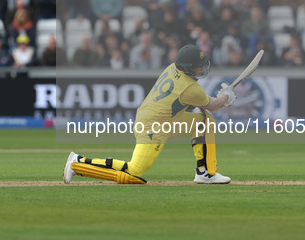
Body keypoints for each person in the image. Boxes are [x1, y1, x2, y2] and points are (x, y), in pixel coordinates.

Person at [63, 44, 236, 185]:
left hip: (163, 118)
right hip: (154, 124)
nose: (202, 67)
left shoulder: (172, 68)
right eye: (198, 65)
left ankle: (206, 172)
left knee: (203, 123)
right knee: (134, 172)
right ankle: (78, 163)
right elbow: (212, 106)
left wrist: (220, 98)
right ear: (187, 67)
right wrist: (226, 97)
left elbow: (199, 103)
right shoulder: (191, 88)